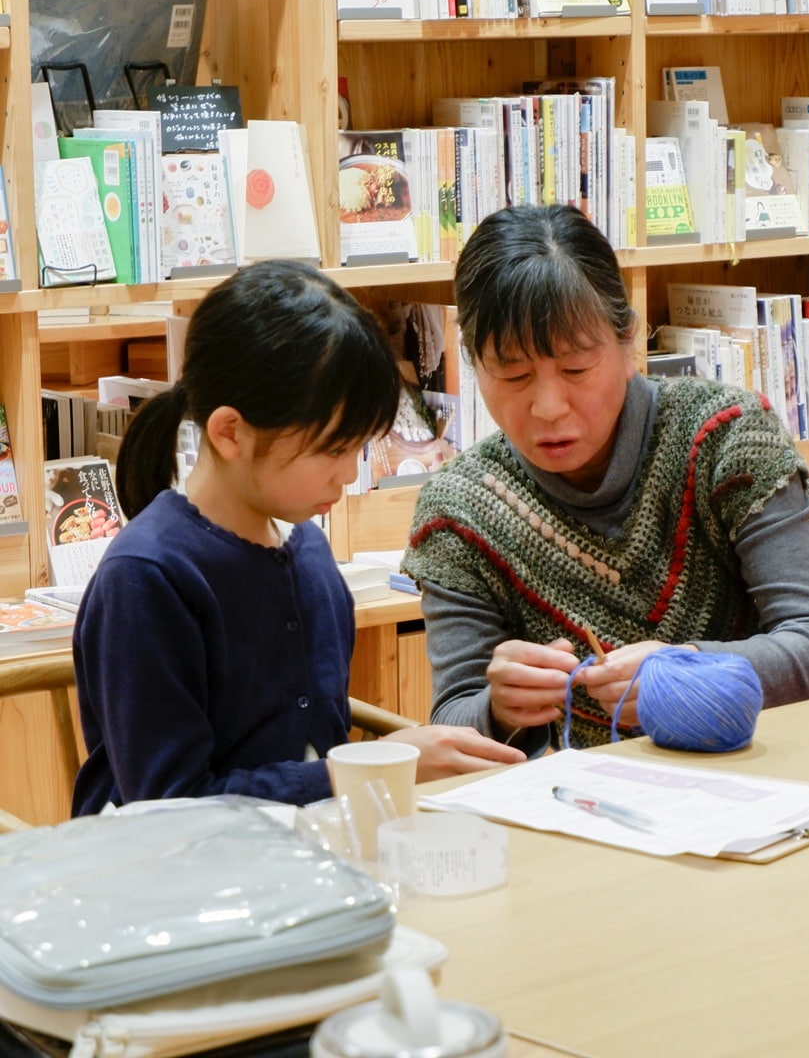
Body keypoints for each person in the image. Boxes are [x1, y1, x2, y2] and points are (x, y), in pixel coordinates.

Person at [402, 204, 809, 755]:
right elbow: (455, 716)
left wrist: (689, 666)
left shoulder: (727, 437)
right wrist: (499, 710)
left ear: (627, 342)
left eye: (575, 369)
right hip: (631, 784)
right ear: (473, 362)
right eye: (514, 373)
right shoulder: (459, 513)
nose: (548, 406)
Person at [71, 260, 523, 817]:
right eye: (333, 450)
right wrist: (359, 772)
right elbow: (170, 806)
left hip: (312, 845)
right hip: (174, 861)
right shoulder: (146, 577)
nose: (348, 474)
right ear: (230, 433)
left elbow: (315, 740)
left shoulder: (305, 546)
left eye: (358, 448)